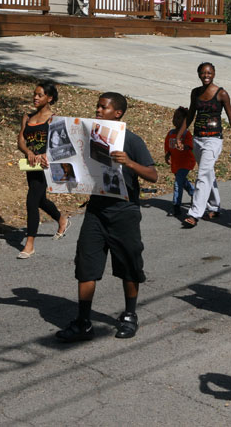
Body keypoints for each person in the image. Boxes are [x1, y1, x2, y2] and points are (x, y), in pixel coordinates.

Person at [56, 92, 158, 342]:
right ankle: (83, 322)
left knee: (129, 266)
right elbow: (73, 167)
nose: (98, 111)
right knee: (85, 266)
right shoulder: (88, 138)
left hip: (124, 213)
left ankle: (129, 315)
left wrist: (130, 163)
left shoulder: (132, 141)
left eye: (104, 108)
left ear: (118, 113)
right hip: (96, 212)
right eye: (97, 107)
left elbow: (153, 176)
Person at [175, 62, 231, 228]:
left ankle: (194, 213)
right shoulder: (195, 93)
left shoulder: (221, 94)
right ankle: (214, 206)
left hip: (214, 140)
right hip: (198, 139)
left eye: (209, 73)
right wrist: (179, 135)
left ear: (214, 74)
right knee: (207, 172)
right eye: (203, 73)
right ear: (198, 74)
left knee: (202, 174)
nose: (206, 76)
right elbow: (190, 115)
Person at [16, 82, 70, 258]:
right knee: (39, 200)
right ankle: (62, 219)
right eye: (35, 94)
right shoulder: (27, 117)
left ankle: (29, 244)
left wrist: (46, 155)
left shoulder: (55, 119)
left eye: (40, 95)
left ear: (50, 98)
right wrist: (29, 152)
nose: (35, 98)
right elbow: (21, 141)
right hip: (31, 165)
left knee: (32, 201)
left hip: (47, 166)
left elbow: (62, 145)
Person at [164, 106, 195, 217]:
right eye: (174, 117)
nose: (175, 120)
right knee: (182, 181)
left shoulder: (186, 134)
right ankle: (194, 193)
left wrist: (184, 146)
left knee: (178, 183)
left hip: (186, 162)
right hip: (176, 162)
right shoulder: (171, 133)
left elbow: (190, 146)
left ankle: (176, 206)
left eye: (179, 118)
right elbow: (168, 146)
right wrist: (167, 154)